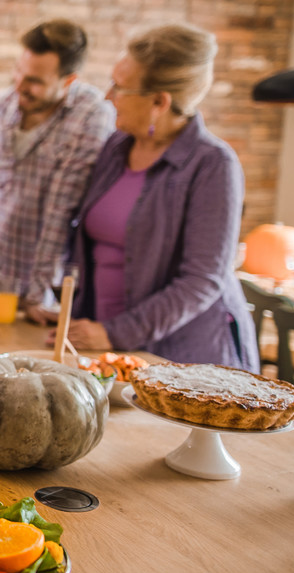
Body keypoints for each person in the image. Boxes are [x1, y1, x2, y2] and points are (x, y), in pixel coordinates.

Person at [64, 23, 258, 372]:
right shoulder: (115, 147)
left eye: (120, 88)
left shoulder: (213, 164)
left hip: (183, 357)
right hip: (107, 346)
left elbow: (202, 280)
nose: (108, 96)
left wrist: (115, 332)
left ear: (159, 102)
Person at [0, 19, 115, 323]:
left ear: (68, 80)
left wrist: (39, 292)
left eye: (34, 80)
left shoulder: (91, 115)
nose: (20, 85)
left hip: (50, 293)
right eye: (18, 72)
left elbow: (61, 209)